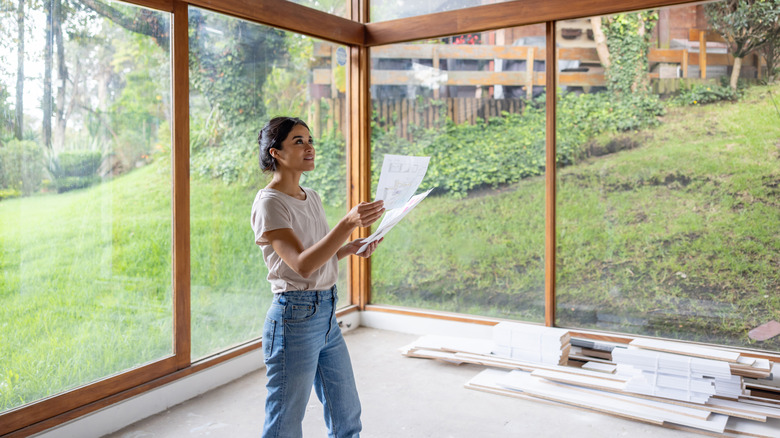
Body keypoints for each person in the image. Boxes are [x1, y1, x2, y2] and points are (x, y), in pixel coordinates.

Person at [250, 116, 385, 438]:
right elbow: (301, 265)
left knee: (346, 413)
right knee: (284, 421)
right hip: (293, 318)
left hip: (325, 312)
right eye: (299, 141)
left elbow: (317, 255)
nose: (310, 147)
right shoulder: (269, 203)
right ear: (276, 153)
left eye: (310, 140)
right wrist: (348, 223)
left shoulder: (311, 196)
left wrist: (350, 247)